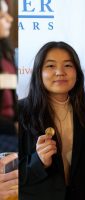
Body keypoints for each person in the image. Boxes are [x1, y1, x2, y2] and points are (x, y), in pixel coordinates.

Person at [19, 41, 85, 200]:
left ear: (77, 72)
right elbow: (8, 172)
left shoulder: (84, 114)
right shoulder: (21, 112)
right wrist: (39, 161)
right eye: (50, 66)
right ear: (38, 72)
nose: (60, 72)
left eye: (68, 65)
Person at [0, 0, 18, 199]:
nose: (10, 19)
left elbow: (10, 96)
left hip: (10, 140)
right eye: (2, 16)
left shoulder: (6, 53)